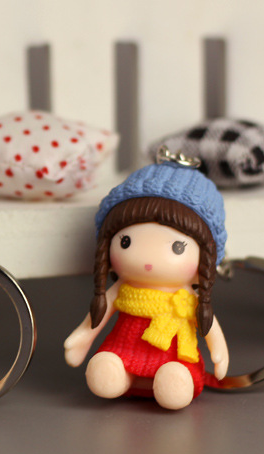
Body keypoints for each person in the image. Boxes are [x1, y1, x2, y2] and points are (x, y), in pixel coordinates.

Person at [64, 156, 229, 409]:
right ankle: (115, 373)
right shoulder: (122, 290)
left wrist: (219, 351)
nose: (148, 259)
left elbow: (210, 328)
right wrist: (83, 336)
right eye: (126, 242)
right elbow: (98, 315)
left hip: (173, 356)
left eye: (177, 247)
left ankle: (174, 380)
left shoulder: (188, 299)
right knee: (107, 368)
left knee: (175, 379)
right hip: (124, 350)